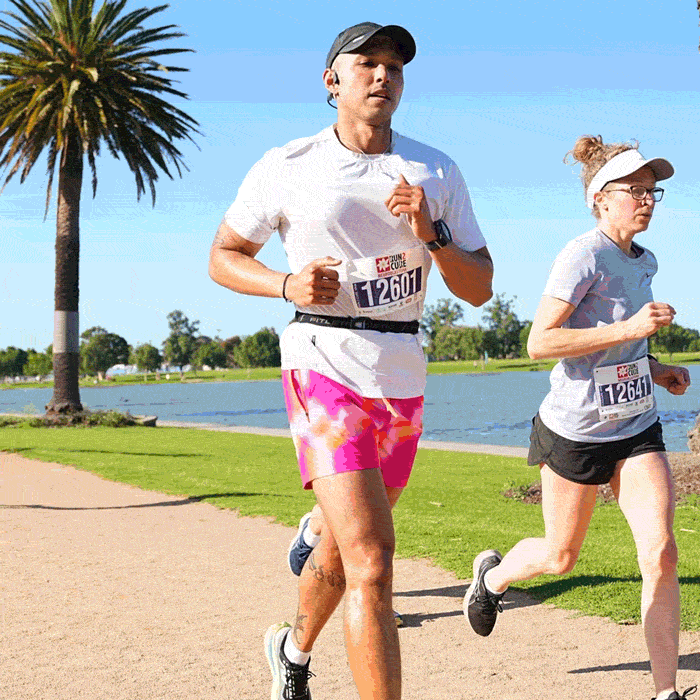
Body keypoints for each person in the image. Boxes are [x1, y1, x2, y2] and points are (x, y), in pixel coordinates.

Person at [209, 21, 493, 700]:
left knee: (340, 555)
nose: (383, 75)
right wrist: (285, 283)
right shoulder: (289, 163)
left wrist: (435, 233)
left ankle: (293, 651)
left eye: (395, 66)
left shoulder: (435, 169)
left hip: (401, 369)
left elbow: (479, 287)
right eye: (367, 62)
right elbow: (223, 256)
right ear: (332, 80)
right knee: (374, 560)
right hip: (321, 358)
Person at [463, 135, 694, 700]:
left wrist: (656, 367)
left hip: (637, 427)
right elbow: (540, 341)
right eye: (634, 190)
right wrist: (632, 330)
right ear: (601, 198)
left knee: (661, 552)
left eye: (652, 190)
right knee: (561, 556)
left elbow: (621, 347)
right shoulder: (581, 254)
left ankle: (665, 692)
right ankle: (492, 579)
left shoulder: (646, 260)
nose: (646, 200)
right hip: (574, 431)